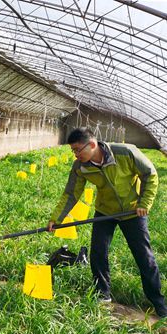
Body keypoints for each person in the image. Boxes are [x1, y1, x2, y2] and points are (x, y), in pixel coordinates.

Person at [48, 127, 166, 318]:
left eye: (78, 150)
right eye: (73, 151)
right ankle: (102, 294)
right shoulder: (80, 166)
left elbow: (150, 174)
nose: (76, 155)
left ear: (92, 144)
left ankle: (158, 302)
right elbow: (71, 193)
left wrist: (144, 203)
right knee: (98, 252)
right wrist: (56, 219)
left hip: (133, 211)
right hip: (105, 211)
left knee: (144, 256)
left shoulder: (125, 152)